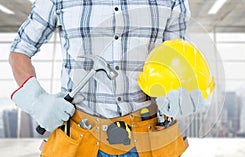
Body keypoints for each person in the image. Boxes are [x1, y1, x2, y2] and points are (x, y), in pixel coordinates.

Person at [9, 0, 203, 156]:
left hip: (149, 137)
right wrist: (38, 100)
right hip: (79, 138)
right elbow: (20, 51)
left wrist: (180, 89)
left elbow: (176, 57)